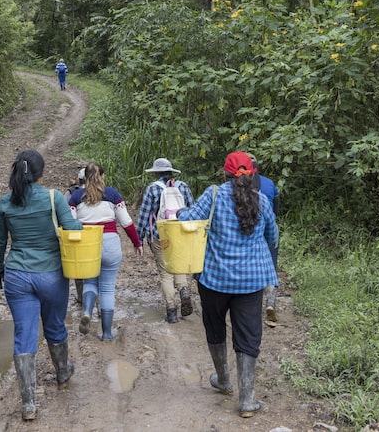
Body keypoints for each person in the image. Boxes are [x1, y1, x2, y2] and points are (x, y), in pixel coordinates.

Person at [176, 151, 278, 418]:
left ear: (225, 173)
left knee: (215, 327)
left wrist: (181, 210)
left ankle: (223, 380)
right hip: (251, 281)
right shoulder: (263, 201)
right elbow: (272, 237)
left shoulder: (212, 196)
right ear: (253, 173)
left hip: (214, 279)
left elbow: (187, 221)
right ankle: (247, 400)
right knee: (248, 335)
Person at [0, 150, 83, 421]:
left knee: (24, 334)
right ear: (41, 173)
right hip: (51, 274)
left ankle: (29, 403)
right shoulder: (54, 198)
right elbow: (70, 228)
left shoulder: (6, 203)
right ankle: (63, 371)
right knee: (54, 325)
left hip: (17, 276)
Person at [69, 162, 143, 340]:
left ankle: (87, 311)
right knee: (108, 289)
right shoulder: (112, 194)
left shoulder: (75, 197)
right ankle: (107, 334)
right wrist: (136, 242)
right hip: (110, 243)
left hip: (87, 245)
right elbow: (126, 222)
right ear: (102, 176)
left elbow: (70, 225)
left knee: (89, 283)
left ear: (84, 178)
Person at [135, 158, 195, 323]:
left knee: (165, 273)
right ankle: (183, 290)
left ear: (156, 173)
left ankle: (171, 311)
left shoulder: (152, 189)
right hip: (180, 234)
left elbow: (144, 216)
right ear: (171, 171)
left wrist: (138, 239)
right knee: (179, 265)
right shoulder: (183, 187)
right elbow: (192, 210)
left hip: (160, 235)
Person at [247, 153, 281, 327]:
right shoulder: (269, 183)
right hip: (268, 229)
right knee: (271, 265)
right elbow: (276, 208)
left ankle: (250, 305)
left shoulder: (237, 186)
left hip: (249, 231)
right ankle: (270, 302)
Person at [65, 167, 86, 304]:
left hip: (75, 234)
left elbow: (64, 212)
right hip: (95, 234)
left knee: (79, 268)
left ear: (79, 180)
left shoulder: (71, 193)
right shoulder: (102, 192)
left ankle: (81, 297)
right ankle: (100, 303)